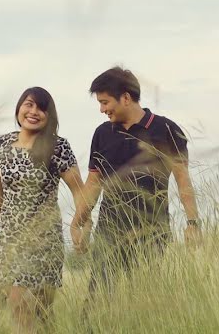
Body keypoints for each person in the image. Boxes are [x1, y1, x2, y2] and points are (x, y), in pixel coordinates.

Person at [72, 67, 200, 294]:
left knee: (143, 300)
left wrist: (193, 223)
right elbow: (93, 183)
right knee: (98, 303)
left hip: (152, 234)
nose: (102, 110)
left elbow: (183, 180)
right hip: (108, 234)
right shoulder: (102, 133)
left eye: (105, 102)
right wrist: (78, 222)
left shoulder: (167, 129)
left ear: (126, 98)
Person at [0, 87, 84, 331]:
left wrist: (81, 224)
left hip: (44, 242)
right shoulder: (1, 145)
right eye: (28, 104)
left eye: (41, 108)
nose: (33, 112)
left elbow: (80, 192)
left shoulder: (58, 147)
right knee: (19, 309)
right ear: (19, 108)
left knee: (43, 313)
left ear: (50, 115)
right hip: (10, 241)